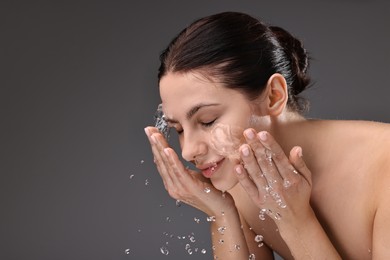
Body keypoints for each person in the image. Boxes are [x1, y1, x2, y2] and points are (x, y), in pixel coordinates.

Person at [144, 11, 390, 259]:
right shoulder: (244, 181)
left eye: (207, 121)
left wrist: (296, 221)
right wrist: (221, 215)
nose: (187, 151)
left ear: (274, 95)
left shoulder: (385, 169)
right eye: (179, 129)